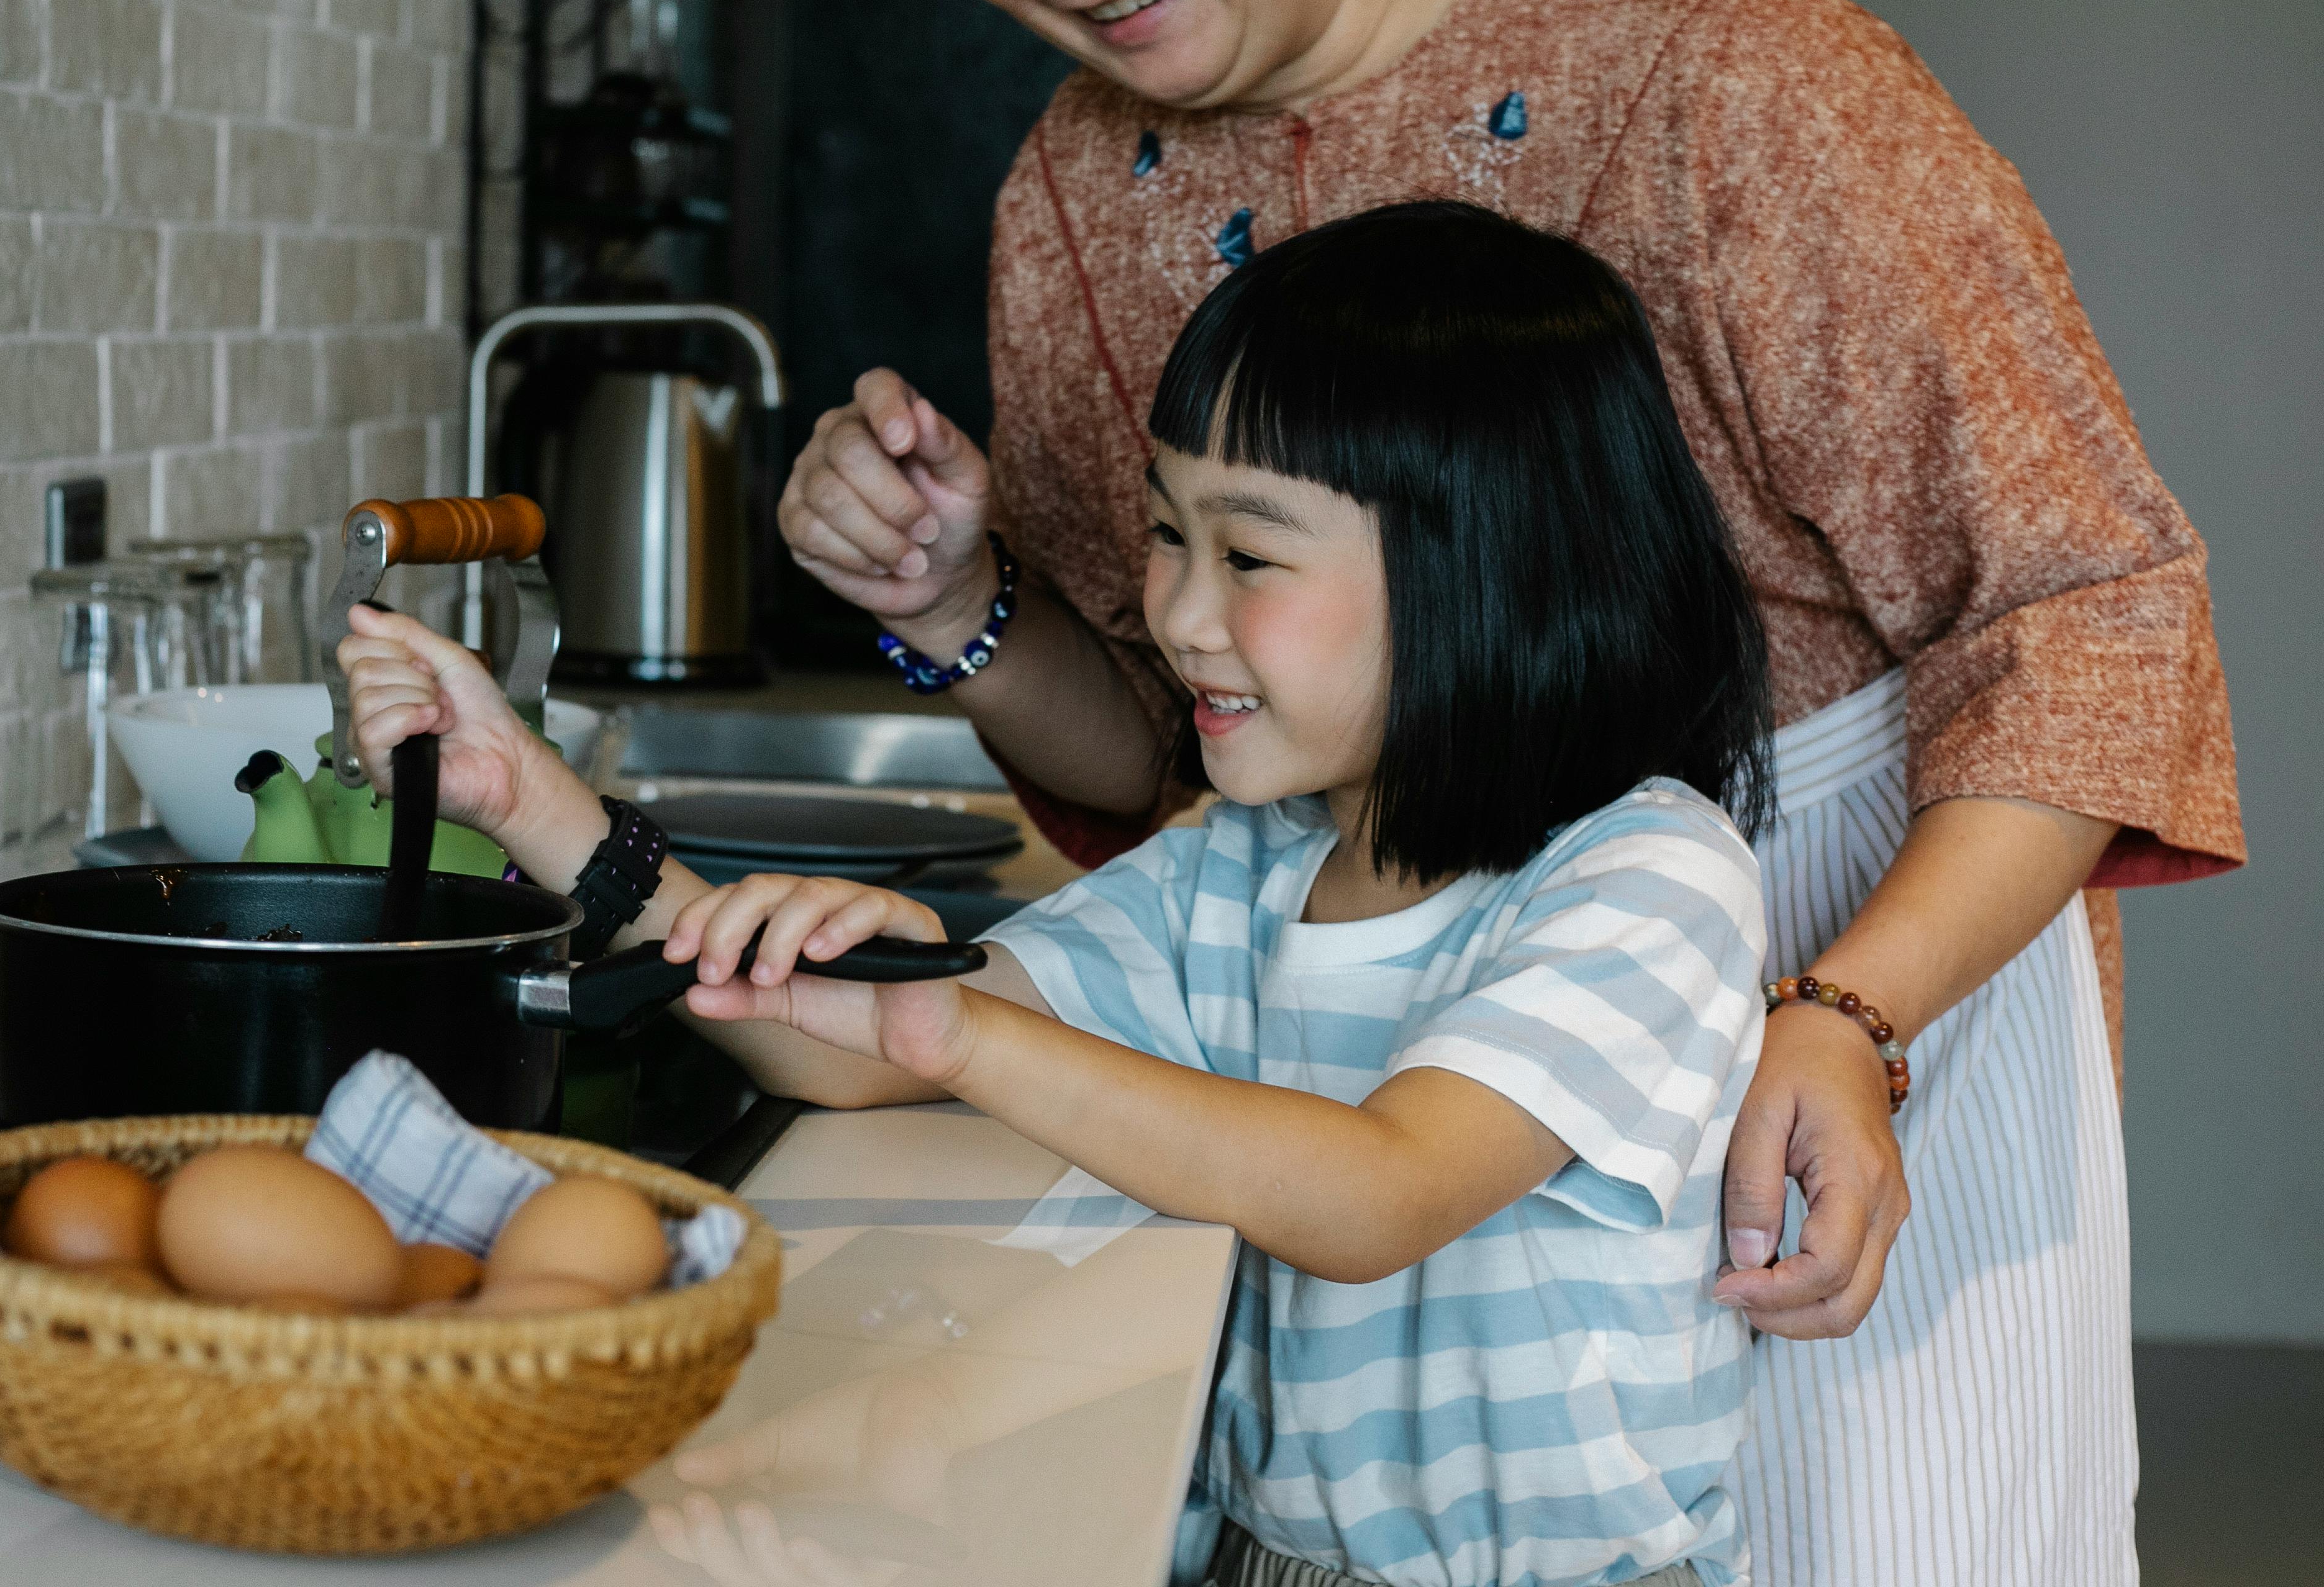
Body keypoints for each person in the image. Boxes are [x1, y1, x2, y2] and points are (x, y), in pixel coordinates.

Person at [773, 0, 2241, 1580]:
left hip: (1848, 931)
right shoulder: (1073, 194)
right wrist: (958, 603)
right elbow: (1187, 742)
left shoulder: (1729, 71)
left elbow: (2091, 612)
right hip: (1395, 1043)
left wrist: (1849, 1015)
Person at [347, 204, 1784, 1586]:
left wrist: (961, 1034)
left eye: (1252, 556)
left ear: (1496, 574)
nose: (1177, 613)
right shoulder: (1247, 863)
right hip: (1267, 1562)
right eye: (1169, 535)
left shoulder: (1646, 876)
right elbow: (829, 1046)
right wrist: (527, 797)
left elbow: (1380, 1192)